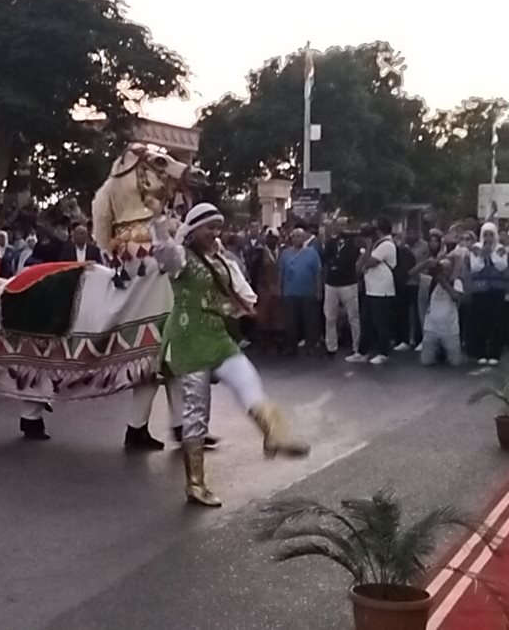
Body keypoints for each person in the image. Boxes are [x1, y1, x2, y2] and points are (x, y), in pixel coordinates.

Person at [154, 204, 309, 508]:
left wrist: (246, 306)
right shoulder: (180, 258)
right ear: (193, 229)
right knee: (196, 412)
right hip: (188, 337)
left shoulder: (221, 259)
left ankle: (273, 433)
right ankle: (195, 484)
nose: (215, 232)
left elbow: (242, 291)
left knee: (246, 377)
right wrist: (158, 218)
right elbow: (163, 249)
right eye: (209, 227)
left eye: (218, 227)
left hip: (217, 335)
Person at [465, 222, 509, 365]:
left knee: (496, 321)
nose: (488, 238)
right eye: (485, 234)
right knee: (480, 321)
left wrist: (490, 253)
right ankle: (481, 353)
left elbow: (502, 266)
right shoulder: (475, 248)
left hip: (497, 289)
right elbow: (475, 267)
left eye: (491, 234)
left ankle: (494, 354)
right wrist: (482, 256)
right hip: (480, 290)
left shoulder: (501, 249)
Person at [322, 220, 364, 362]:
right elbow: (326, 259)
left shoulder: (354, 243)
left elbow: (355, 259)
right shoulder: (331, 243)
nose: (341, 228)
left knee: (353, 316)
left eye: (343, 225)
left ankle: (356, 347)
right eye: (339, 225)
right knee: (330, 317)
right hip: (331, 283)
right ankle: (331, 347)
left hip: (348, 283)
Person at [359, 217, 398, 365]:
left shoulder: (386, 244)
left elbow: (369, 261)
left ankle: (383, 352)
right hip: (371, 288)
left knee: (380, 323)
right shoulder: (378, 244)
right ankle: (363, 352)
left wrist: (368, 245)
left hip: (382, 289)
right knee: (366, 321)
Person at [277, 227, 322, 354]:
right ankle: (291, 347)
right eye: (295, 236)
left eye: (300, 236)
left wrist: (319, 290)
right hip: (290, 292)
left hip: (308, 293)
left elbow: (318, 273)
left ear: (304, 238)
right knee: (291, 322)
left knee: (310, 321)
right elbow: (281, 272)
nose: (297, 239)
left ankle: (310, 346)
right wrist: (279, 289)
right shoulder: (285, 254)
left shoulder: (312, 253)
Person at [420, 258, 465, 367]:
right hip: (431, 328)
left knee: (455, 363)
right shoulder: (431, 281)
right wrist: (425, 263)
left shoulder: (456, 282)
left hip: (450, 329)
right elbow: (410, 274)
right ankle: (439, 352)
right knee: (426, 362)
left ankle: (444, 352)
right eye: (441, 269)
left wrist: (443, 282)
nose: (444, 272)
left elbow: (456, 297)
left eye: (447, 269)